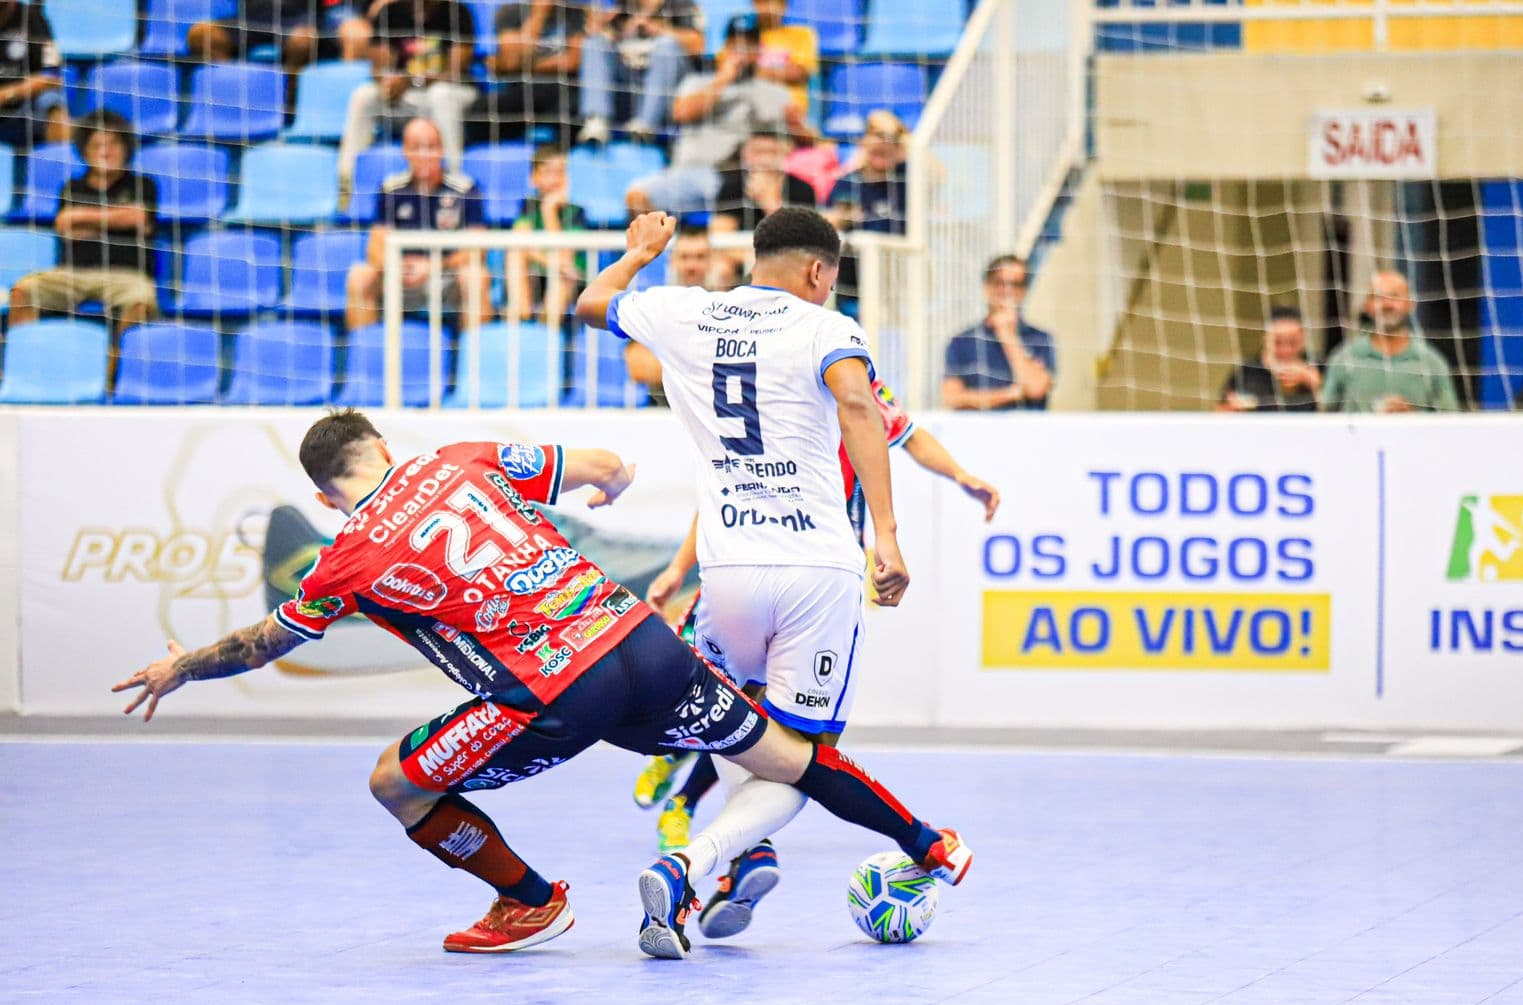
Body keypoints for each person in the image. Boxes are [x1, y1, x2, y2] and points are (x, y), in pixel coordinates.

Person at [113, 409, 972, 960]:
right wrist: (612, 478)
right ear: (380, 445)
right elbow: (600, 464)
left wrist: (179, 666)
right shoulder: (457, 461)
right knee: (786, 755)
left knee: (395, 783)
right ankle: (928, 842)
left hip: (556, 689)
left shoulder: (347, 558)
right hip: (639, 635)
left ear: (325, 495)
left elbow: (265, 643)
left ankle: (528, 902)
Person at [578, 206, 925, 952]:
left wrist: (639, 252)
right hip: (815, 571)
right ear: (818, 272)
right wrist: (888, 537)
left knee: (744, 730)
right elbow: (861, 405)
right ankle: (693, 863)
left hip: (727, 574)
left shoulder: (685, 311)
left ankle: (744, 858)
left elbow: (587, 304)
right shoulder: (826, 328)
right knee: (796, 757)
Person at [638, 375, 1002, 854]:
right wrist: (678, 567)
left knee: (769, 715)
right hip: (758, 569)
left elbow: (911, 435)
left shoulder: (855, 389)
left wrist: (960, 475)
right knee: (732, 696)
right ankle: (696, 797)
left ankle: (694, 812)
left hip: (822, 583)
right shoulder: (771, 401)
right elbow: (722, 499)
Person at [9, 111, 157, 355]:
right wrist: (117, 218)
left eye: (113, 144)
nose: (105, 152)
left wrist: (84, 219)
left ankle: (116, 376)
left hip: (125, 276)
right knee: (23, 290)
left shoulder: (143, 185)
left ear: (126, 149)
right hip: (72, 274)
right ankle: (22, 364)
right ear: (85, 151)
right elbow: (65, 226)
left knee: (141, 300)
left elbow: (139, 217)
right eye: (97, 145)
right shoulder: (71, 187)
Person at [623, 14, 800, 217]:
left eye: (748, 45)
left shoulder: (773, 92)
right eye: (734, 44)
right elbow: (681, 112)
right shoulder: (697, 82)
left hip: (738, 178)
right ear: (724, 48)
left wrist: (796, 124)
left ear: (759, 50)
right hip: (689, 173)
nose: (741, 52)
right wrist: (722, 80)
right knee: (636, 196)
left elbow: (793, 137)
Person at [345, 117, 490, 332]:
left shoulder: (465, 189)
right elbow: (375, 248)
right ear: (405, 151)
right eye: (416, 147)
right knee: (360, 276)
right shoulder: (392, 188)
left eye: (430, 147)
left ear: (441, 150)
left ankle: (475, 361)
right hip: (399, 276)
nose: (424, 155)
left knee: (476, 276)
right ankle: (364, 359)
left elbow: (477, 250)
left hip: (446, 277)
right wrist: (397, 267)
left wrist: (432, 266)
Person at [336, 0, 476, 183]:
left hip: (452, 94)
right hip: (406, 99)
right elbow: (378, 68)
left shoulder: (457, 12)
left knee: (441, 95)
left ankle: (451, 177)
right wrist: (389, 82)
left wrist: (411, 80)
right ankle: (345, 180)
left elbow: (456, 71)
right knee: (364, 95)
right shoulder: (390, 12)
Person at [1320, 271, 1461, 413]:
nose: (1387, 304)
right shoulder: (1344, 358)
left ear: (1411, 304)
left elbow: (1450, 420)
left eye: (1395, 296)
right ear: (1366, 306)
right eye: (1378, 297)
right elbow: (1324, 416)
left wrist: (1412, 418)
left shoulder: (1432, 362)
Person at [622, 224, 723, 404]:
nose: (691, 266)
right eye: (684, 257)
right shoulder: (656, 304)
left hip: (714, 415)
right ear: (672, 261)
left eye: (700, 257)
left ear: (712, 261)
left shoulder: (728, 307)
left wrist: (670, 361)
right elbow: (637, 366)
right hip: (664, 415)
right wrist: (703, 368)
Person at [577, 0, 702, 145]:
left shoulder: (681, 5)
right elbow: (587, 44)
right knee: (594, 43)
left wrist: (656, 29)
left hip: (668, 95)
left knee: (666, 45)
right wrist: (602, 27)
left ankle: (646, 125)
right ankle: (596, 120)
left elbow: (699, 45)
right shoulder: (620, 8)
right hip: (627, 89)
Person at [942, 254, 1056, 411]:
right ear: (986, 286)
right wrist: (1010, 394)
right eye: (1000, 282)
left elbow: (1035, 389)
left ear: (1024, 291)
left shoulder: (1041, 339)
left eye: (1016, 284)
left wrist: (1007, 334)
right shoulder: (962, 341)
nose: (1007, 291)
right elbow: (952, 398)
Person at [463, 0, 584, 146]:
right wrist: (540, 13)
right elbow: (512, 61)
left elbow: (572, 62)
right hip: (521, 91)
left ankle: (559, 158)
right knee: (478, 113)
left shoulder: (575, 13)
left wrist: (523, 66)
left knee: (577, 110)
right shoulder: (511, 12)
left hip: (561, 91)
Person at [826, 109, 908, 315]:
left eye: (890, 141)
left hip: (899, 284)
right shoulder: (848, 182)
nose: (882, 146)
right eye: (876, 138)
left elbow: (939, 174)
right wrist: (840, 218)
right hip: (854, 285)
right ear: (863, 145)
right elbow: (829, 221)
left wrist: (901, 133)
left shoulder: (906, 178)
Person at [709, 127, 815, 283]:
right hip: (743, 258)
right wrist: (754, 259)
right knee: (719, 267)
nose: (765, 159)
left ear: (785, 153)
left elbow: (800, 240)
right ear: (745, 154)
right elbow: (720, 239)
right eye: (758, 152)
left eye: (772, 152)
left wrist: (767, 200)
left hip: (789, 260)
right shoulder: (732, 187)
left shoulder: (802, 189)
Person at [505, 144, 590, 324]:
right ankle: (522, 319)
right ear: (533, 178)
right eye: (548, 172)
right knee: (514, 256)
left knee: (564, 276)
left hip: (570, 282)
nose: (555, 179)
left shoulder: (576, 212)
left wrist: (549, 210)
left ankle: (546, 333)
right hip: (538, 274)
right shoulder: (528, 205)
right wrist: (552, 262)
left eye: (560, 172)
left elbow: (566, 256)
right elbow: (520, 244)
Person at [1215, 306, 1322, 413]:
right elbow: (1219, 412)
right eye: (1278, 342)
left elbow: (1333, 410)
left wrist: (1312, 382)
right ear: (1265, 338)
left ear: (1303, 338)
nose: (1286, 350)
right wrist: (1232, 409)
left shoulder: (1317, 365)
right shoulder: (1247, 371)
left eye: (1293, 342)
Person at [186, 0, 332, 74]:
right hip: (251, 19)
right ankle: (233, 89)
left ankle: (287, 96)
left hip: (296, 19)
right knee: (200, 34)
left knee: (304, 39)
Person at [0, 0, 64, 149]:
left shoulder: (33, 17)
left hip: (24, 106)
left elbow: (53, 75)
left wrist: (7, 94)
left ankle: (58, 165)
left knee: (52, 104)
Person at [752, 0, 816, 113]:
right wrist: (783, 71)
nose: (766, 8)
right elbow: (728, 71)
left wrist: (753, 72)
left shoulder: (802, 34)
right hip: (753, 112)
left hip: (791, 114)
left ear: (784, 5)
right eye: (761, 2)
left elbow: (799, 74)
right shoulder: (742, 37)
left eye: (771, 2)